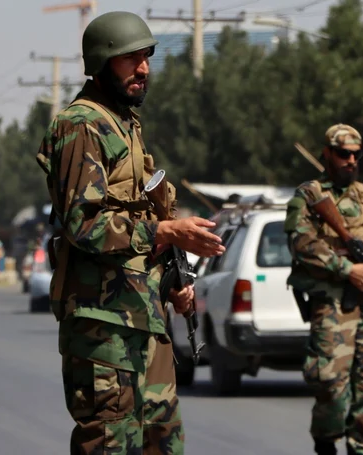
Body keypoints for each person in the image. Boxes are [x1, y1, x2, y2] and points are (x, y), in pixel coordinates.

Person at [34, 11, 225, 454]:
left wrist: (171, 281)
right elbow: (86, 224)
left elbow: (135, 221)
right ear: (101, 63)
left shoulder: (125, 125)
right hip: (104, 329)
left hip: (143, 316)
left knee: (162, 444)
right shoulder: (81, 125)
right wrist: (165, 230)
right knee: (110, 445)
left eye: (146, 57)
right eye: (129, 59)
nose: (142, 69)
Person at [284, 124, 363, 455]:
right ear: (327, 154)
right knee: (331, 388)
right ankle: (325, 443)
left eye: (356, 154)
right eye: (343, 154)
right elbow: (301, 244)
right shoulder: (308, 196)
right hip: (333, 307)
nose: (350, 160)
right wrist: (347, 269)